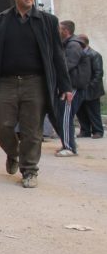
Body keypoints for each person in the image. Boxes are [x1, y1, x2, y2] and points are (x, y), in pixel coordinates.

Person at [0, 0, 71, 188]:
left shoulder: (47, 21)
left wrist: (65, 85)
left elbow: (58, 55)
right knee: (0, 124)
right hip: (5, 83)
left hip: (35, 83)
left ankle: (29, 171)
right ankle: (13, 153)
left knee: (32, 129)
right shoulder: (0, 21)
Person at [55, 20, 90, 156]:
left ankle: (69, 148)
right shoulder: (69, 45)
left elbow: (67, 65)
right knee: (63, 115)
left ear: (66, 31)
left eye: (59, 29)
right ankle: (67, 144)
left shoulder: (73, 46)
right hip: (70, 85)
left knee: (66, 115)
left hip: (73, 85)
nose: (57, 32)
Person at [76, 34, 104, 139]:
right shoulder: (79, 54)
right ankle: (85, 130)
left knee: (93, 111)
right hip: (80, 87)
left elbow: (98, 73)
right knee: (81, 111)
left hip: (92, 89)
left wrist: (90, 86)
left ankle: (98, 131)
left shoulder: (94, 55)